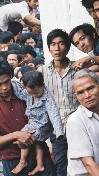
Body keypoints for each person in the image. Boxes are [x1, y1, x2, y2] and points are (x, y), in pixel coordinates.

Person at [0, 57, 55, 176]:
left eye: (6, 82)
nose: (4, 87)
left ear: (11, 77)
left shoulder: (29, 94)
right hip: (12, 160)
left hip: (40, 155)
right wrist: (16, 135)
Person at [37, 29, 80, 176]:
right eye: (53, 44)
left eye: (61, 43)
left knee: (83, 165)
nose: (57, 48)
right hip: (57, 131)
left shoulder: (77, 70)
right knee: (62, 168)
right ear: (48, 48)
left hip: (79, 128)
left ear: (67, 47)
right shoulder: (42, 73)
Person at [11, 71, 64, 175]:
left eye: (37, 93)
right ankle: (40, 165)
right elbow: (21, 94)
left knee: (26, 136)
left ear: (43, 85)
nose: (34, 95)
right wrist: (12, 82)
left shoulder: (48, 99)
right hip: (33, 122)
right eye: (32, 93)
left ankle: (23, 161)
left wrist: (59, 132)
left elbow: (54, 115)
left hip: (43, 125)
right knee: (38, 143)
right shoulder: (29, 93)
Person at [66, 68, 99, 176]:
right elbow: (89, 164)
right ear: (76, 96)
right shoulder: (75, 121)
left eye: (90, 88)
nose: (87, 95)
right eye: (80, 92)